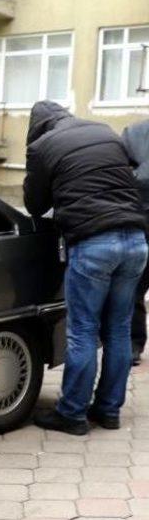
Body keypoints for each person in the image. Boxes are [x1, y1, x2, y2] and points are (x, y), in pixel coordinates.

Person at [24, 100, 147, 436]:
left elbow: (35, 205)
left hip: (94, 242)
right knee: (119, 329)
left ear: (37, 128)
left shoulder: (42, 146)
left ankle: (73, 413)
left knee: (83, 332)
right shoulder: (105, 131)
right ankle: (108, 411)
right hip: (136, 240)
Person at [121, 119, 149, 366]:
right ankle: (132, 344)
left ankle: (132, 344)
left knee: (135, 286)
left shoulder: (133, 131)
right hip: (140, 217)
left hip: (139, 216)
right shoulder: (133, 132)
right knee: (135, 286)